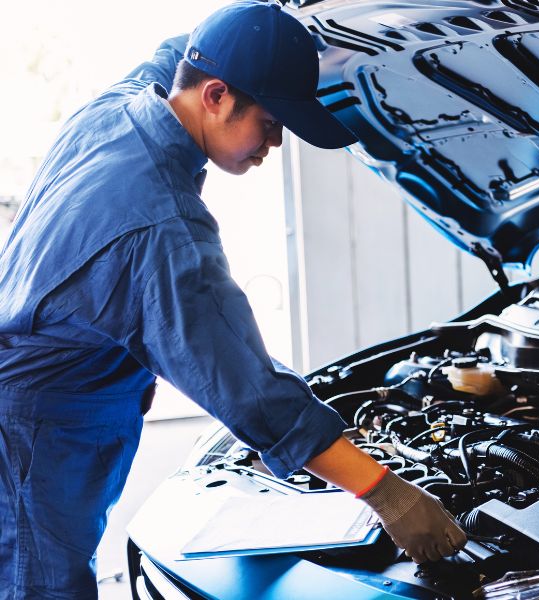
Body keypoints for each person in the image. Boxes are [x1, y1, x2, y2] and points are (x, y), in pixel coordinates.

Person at [0, 2, 467, 598]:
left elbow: (180, 51)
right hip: (35, 438)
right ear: (216, 96)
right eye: (271, 123)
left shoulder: (121, 108)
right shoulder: (161, 231)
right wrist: (387, 493)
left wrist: (272, 24)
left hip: (51, 415)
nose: (274, 144)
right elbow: (249, 388)